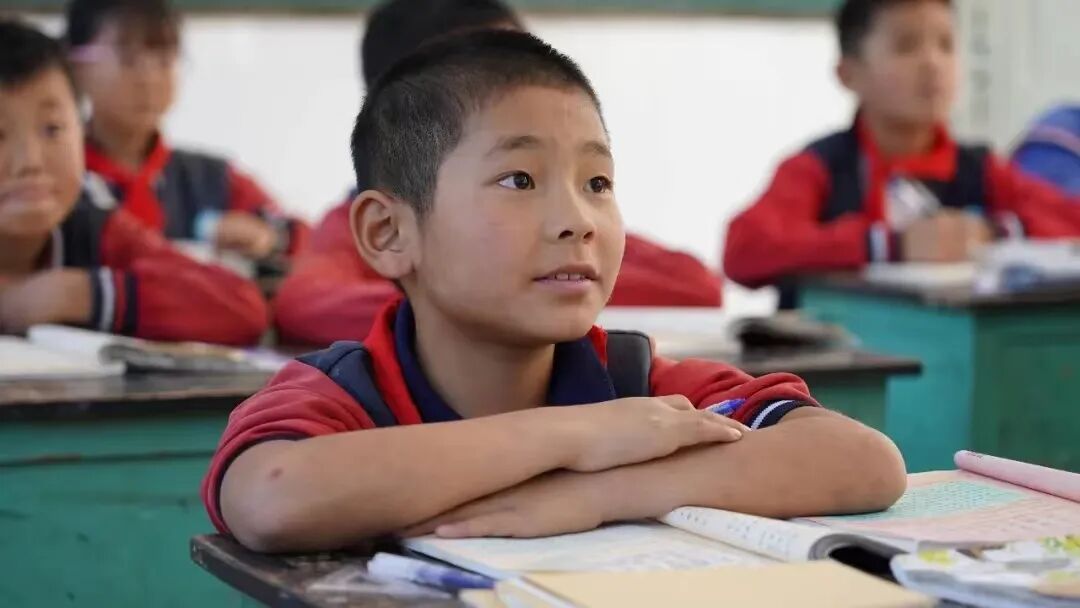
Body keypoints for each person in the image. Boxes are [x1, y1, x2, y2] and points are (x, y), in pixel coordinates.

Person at [203, 31, 906, 553]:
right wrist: (580, 434)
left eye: (597, 183)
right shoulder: (345, 394)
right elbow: (270, 499)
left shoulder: (638, 381)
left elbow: (864, 462)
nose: (578, 220)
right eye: (520, 180)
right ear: (389, 232)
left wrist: (598, 491)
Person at [273, 0, 722, 346]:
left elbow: (697, 286)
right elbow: (305, 305)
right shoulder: (356, 233)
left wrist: (556, 282)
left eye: (598, 183)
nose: (524, 82)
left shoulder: (569, 221)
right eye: (518, 181)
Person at [723, 0, 1080, 308]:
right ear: (848, 74)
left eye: (946, 45)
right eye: (906, 46)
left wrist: (994, 232)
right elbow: (744, 250)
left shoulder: (981, 168)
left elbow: (1069, 218)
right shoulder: (819, 167)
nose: (932, 63)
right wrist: (887, 245)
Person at [0, 19, 268, 345]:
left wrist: (79, 294)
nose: (30, 161)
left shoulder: (93, 222)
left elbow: (243, 306)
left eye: (52, 129)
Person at [64, 0, 308, 263]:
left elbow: (307, 239)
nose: (149, 79)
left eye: (164, 60)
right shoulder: (60, 180)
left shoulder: (213, 179)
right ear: (77, 66)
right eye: (128, 60)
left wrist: (269, 237)